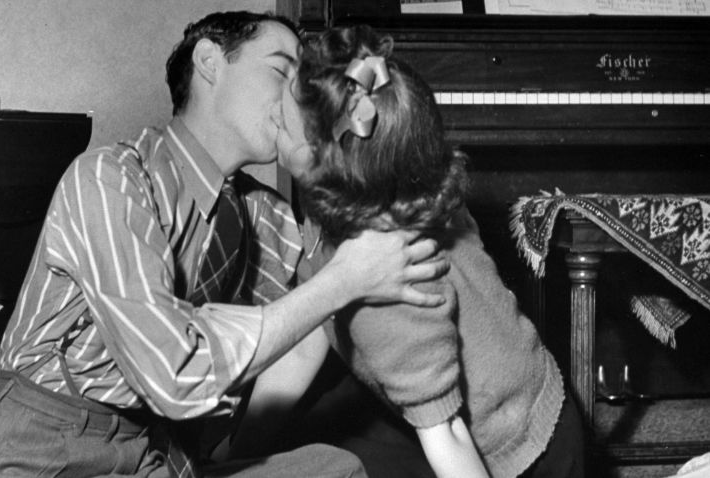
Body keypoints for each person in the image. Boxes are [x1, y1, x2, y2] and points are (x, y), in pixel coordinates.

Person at [0, 12, 451, 478]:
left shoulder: (268, 217)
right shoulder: (111, 179)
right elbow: (174, 372)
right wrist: (342, 281)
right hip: (42, 441)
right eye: (281, 71)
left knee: (337, 468)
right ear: (209, 62)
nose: (298, 96)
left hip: (156, 453)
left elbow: (351, 285)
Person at [235, 24, 585, 478]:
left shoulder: (393, 292)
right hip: (487, 400)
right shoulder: (375, 186)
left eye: (282, 121)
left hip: (520, 453)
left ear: (324, 160)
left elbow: (450, 439)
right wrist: (232, 456)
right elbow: (305, 341)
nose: (271, 115)